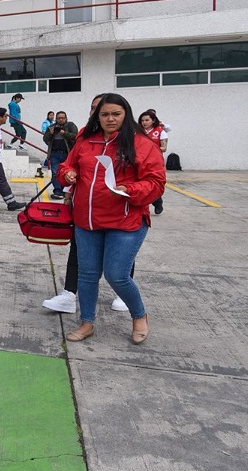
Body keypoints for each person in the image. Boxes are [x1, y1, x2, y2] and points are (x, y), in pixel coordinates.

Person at [60, 93, 165, 345]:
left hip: (125, 221)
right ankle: (87, 323)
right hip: (87, 222)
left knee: (117, 274)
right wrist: (68, 174)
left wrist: (131, 190)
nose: (110, 118)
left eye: (116, 114)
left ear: (126, 114)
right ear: (97, 115)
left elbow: (156, 182)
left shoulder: (141, 144)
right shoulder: (86, 141)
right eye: (104, 114)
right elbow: (64, 166)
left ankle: (140, 316)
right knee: (87, 274)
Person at [42, 94, 129, 315]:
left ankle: (123, 294)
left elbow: (151, 179)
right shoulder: (84, 135)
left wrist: (131, 191)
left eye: (112, 112)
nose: (99, 114)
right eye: (95, 110)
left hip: (119, 210)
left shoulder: (132, 140)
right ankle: (69, 295)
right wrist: (68, 181)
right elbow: (69, 165)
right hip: (86, 210)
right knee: (78, 251)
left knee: (119, 254)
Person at [138, 109, 169, 214]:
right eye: (142, 120)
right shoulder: (138, 131)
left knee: (152, 183)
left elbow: (164, 147)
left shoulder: (161, 132)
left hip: (154, 162)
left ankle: (157, 202)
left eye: (147, 120)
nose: (144, 122)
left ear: (153, 120)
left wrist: (151, 149)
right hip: (140, 161)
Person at [44, 111, 79, 199]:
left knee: (67, 172)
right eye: (59, 118)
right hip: (55, 154)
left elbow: (76, 136)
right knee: (55, 172)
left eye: (62, 118)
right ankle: (57, 191)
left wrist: (64, 133)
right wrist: (51, 133)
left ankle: (65, 190)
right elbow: (45, 139)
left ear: (66, 118)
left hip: (67, 154)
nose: (60, 120)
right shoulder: (51, 127)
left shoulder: (70, 126)